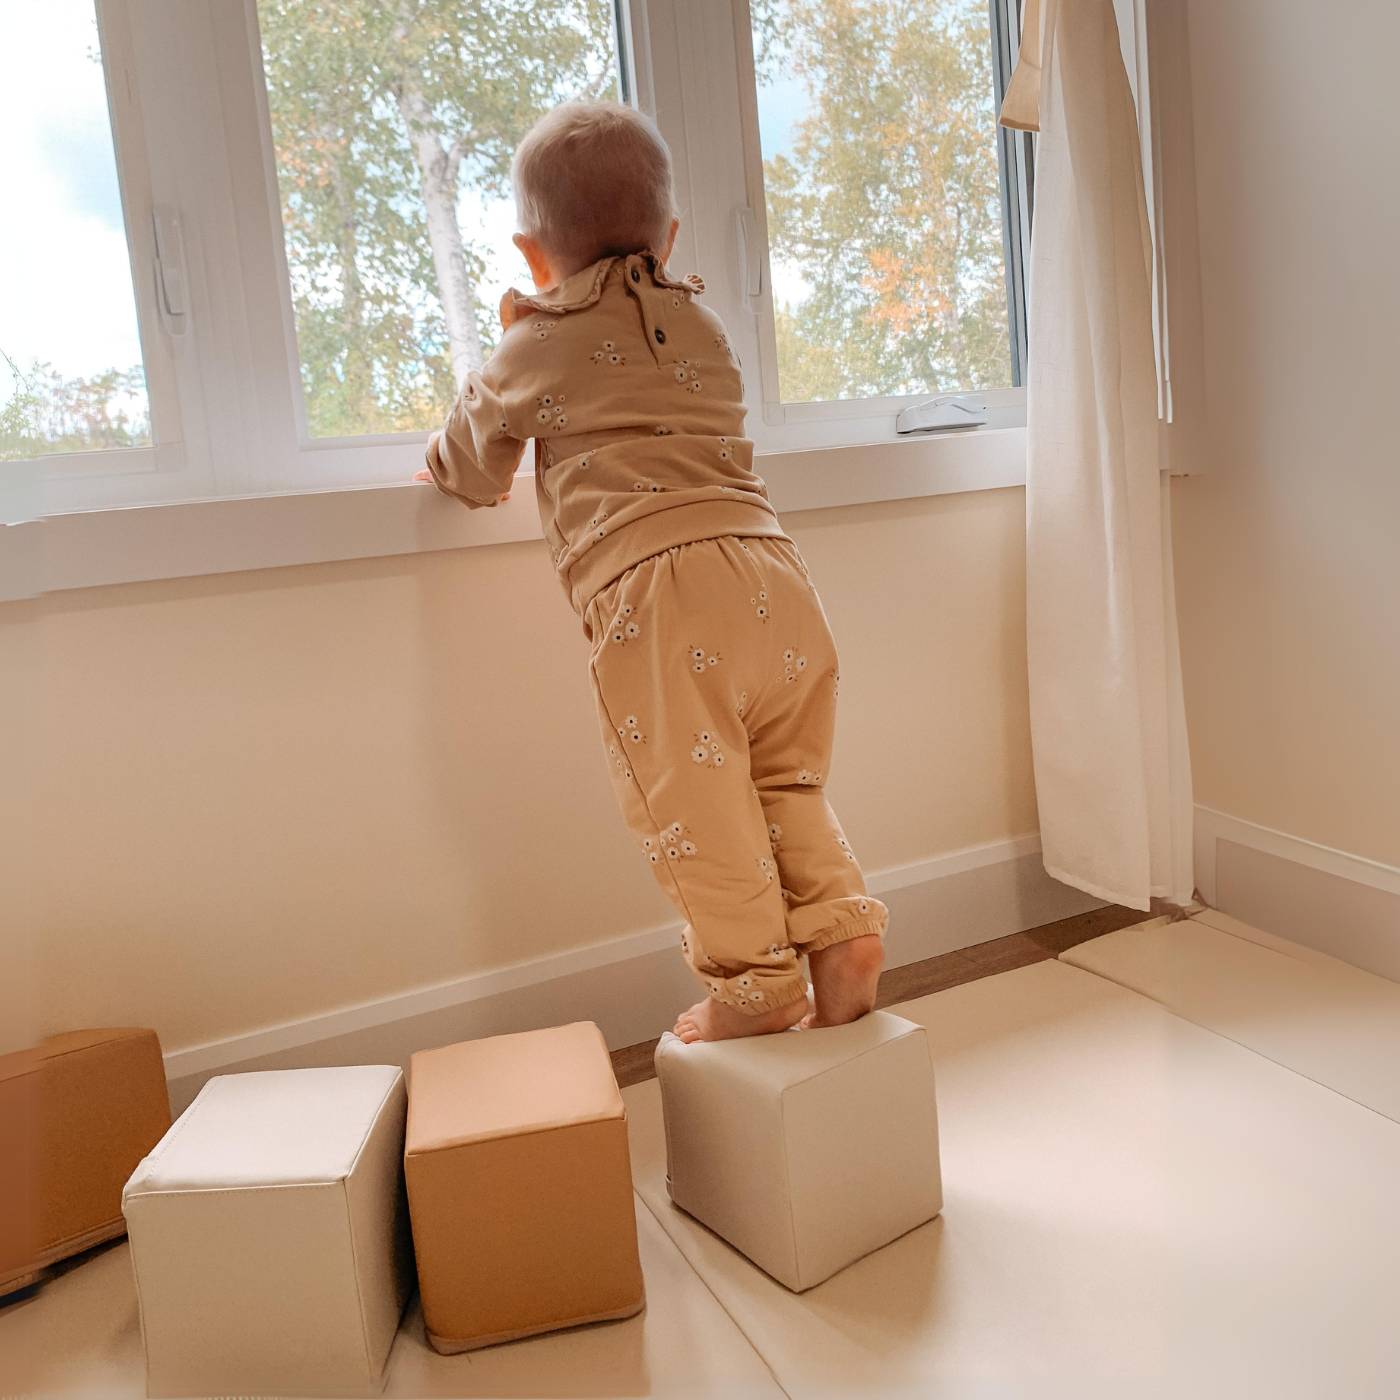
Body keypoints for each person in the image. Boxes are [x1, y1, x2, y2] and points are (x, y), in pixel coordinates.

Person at [418, 101, 886, 1042]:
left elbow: (471, 470)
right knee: (784, 784)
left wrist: (506, 345)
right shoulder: (704, 330)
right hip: (776, 576)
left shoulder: (536, 341)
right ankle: (840, 932)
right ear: (668, 237)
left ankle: (756, 990)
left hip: (661, 600)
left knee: (695, 808)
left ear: (531, 252)